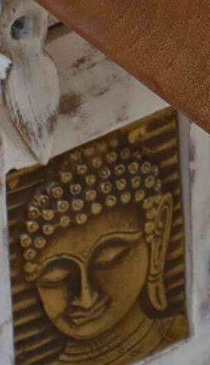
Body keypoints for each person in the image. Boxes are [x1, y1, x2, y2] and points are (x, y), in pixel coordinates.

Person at [21, 132, 187, 365]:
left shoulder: (192, 330)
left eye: (108, 259)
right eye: (56, 277)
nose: (86, 298)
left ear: (157, 233)